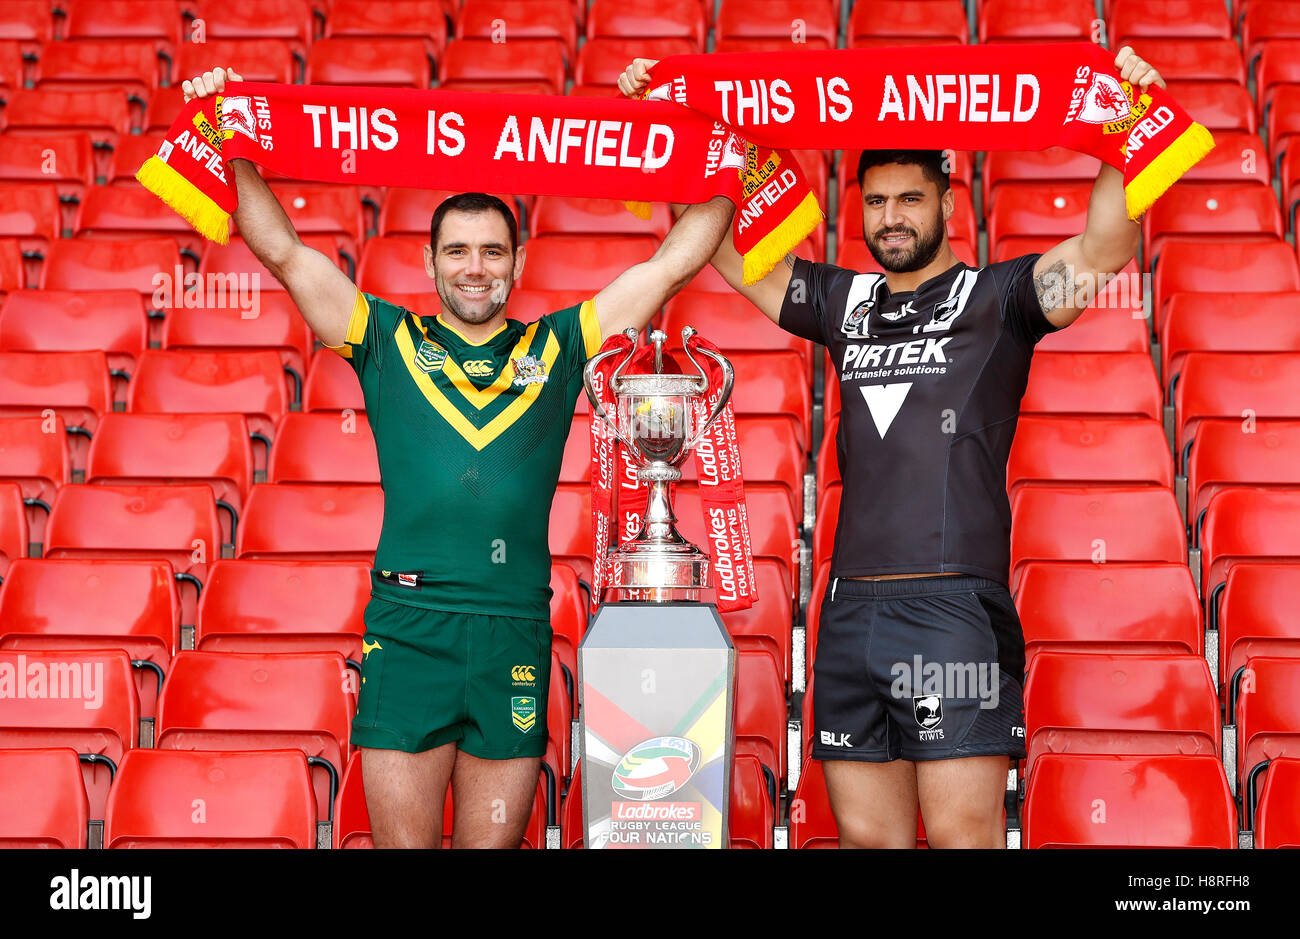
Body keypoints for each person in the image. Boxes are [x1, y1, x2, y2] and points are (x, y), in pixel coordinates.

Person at [620, 46, 1164, 848]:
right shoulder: (838, 298)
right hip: (850, 617)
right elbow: (723, 253)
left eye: (911, 197)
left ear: (949, 199)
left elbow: (1102, 251)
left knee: (961, 839)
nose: (893, 217)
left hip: (955, 612)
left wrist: (1127, 122)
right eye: (877, 201)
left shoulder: (999, 299)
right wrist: (663, 127)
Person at [183, 67, 736, 848]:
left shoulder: (559, 343)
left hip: (513, 626)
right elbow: (283, 252)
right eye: (458, 251)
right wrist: (225, 131)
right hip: (408, 627)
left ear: (517, 263)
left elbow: (670, 266)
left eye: (491, 252)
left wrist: (718, 144)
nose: (475, 267)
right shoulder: (384, 337)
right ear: (430, 262)